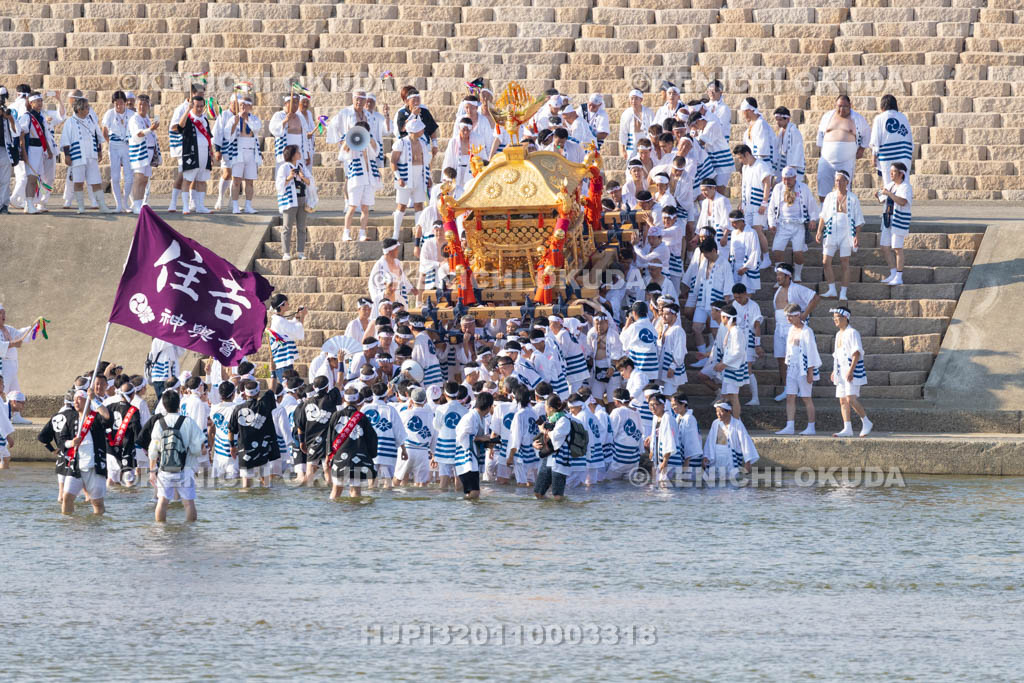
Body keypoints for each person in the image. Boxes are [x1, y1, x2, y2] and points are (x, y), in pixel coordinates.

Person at [149, 390, 205, 522]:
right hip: (185, 469)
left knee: (162, 501)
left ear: (163, 405)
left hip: (165, 469)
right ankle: (189, 532)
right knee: (188, 503)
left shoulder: (159, 423)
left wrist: (152, 471)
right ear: (178, 404)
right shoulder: (188, 422)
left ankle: (160, 532)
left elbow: (153, 450)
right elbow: (199, 448)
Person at [771, 263, 820, 401]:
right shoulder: (778, 291)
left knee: (796, 358)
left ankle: (801, 388)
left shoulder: (797, 288)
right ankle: (788, 389)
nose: (778, 278)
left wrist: (804, 315)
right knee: (781, 358)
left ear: (788, 276)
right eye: (777, 275)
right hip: (779, 328)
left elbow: (815, 298)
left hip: (792, 328)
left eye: (780, 275)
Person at [60, 387, 112, 516]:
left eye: (79, 399)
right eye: (74, 399)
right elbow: (62, 440)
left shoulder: (96, 418)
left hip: (94, 466)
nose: (76, 402)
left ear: (87, 401)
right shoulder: (71, 419)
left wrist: (94, 398)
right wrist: (71, 443)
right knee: (67, 498)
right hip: (75, 466)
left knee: (97, 503)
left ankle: (97, 526)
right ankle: (68, 525)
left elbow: (107, 416)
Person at [816, 169, 865, 300]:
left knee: (845, 262)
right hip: (831, 231)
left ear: (847, 182)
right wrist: (819, 231)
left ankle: (843, 292)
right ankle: (832, 289)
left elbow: (858, 220)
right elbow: (823, 216)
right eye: (836, 180)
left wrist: (856, 236)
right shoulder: (829, 196)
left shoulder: (853, 198)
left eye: (840, 180)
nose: (838, 183)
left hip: (846, 232)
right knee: (826, 261)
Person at [59, 96, 114, 214]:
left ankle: (102, 206)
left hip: (91, 155)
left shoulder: (91, 120)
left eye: (88, 107)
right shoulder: (70, 121)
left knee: (96, 181)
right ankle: (81, 207)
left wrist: (99, 151)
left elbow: (97, 136)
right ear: (78, 109)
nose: (88, 109)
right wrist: (67, 155)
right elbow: (65, 140)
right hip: (77, 156)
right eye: (86, 107)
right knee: (78, 182)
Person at [767, 166, 819, 281]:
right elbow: (771, 208)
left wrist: (813, 219)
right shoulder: (778, 188)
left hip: (798, 225)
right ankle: (780, 277)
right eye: (784, 179)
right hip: (783, 224)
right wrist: (772, 223)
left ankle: (797, 275)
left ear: (795, 178)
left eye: (789, 179)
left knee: (798, 253)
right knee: (777, 251)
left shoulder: (803, 188)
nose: (786, 182)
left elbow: (812, 204)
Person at [815, 94, 869, 203]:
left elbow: (867, 133)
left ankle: (843, 216)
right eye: (839, 106)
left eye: (844, 106)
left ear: (850, 105)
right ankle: (824, 213)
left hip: (846, 161)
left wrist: (862, 149)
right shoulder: (827, 116)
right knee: (822, 187)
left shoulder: (857, 118)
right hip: (826, 159)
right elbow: (820, 134)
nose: (841, 109)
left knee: (844, 190)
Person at [776, 304, 820, 436]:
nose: (788, 319)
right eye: (787, 317)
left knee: (806, 397)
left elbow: (812, 352)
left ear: (798, 315)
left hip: (804, 368)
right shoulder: (790, 330)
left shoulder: (807, 331)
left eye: (790, 316)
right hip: (792, 367)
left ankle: (811, 427)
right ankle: (790, 425)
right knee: (790, 396)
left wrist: (810, 372)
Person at [228, 380, 282, 489]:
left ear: (245, 393)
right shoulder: (264, 404)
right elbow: (272, 389)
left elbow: (231, 430)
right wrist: (273, 372)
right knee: (267, 486)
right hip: (262, 450)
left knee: (246, 486)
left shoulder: (237, 409)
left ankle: (245, 506)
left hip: (244, 451)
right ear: (258, 393)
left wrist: (232, 446)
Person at [326, 386, 377, 499]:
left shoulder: (336, 415)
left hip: (340, 458)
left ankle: (330, 515)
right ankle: (355, 517)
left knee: (336, 491)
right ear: (357, 399)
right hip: (358, 458)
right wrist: (371, 455)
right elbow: (372, 439)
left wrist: (328, 456)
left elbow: (329, 437)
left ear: (344, 398)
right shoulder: (362, 418)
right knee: (356, 492)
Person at [830, 306, 873, 437]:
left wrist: (851, 370)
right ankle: (847, 428)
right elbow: (837, 355)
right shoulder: (838, 334)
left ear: (845, 318)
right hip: (840, 371)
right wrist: (834, 371)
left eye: (837, 318)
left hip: (851, 370)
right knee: (842, 400)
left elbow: (856, 353)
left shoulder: (853, 332)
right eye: (834, 318)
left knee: (851, 398)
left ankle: (866, 421)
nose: (835, 320)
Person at [166, 80, 206, 213]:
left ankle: (193, 202)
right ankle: (173, 202)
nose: (202, 97)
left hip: (196, 148)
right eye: (199, 94)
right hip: (183, 147)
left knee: (194, 175)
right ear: (192, 93)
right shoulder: (182, 108)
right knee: (183, 175)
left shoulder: (200, 108)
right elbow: (174, 127)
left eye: (203, 94)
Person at [390, 117, 431, 242]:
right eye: (420, 129)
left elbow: (426, 163)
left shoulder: (422, 143)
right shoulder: (400, 143)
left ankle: (418, 235)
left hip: (419, 176)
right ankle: (395, 234)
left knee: (419, 205)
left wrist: (428, 177)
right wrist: (399, 177)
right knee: (401, 205)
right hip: (405, 176)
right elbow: (393, 161)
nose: (423, 131)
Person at [171, 94, 213, 214]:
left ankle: (200, 206)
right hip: (191, 153)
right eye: (196, 106)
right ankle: (185, 206)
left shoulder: (204, 119)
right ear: (192, 106)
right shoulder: (188, 117)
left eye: (201, 106)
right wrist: (187, 110)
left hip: (204, 153)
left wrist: (211, 152)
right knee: (187, 179)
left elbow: (208, 136)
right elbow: (180, 126)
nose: (199, 108)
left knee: (201, 180)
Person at [702, 400, 759, 483]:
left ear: (729, 411)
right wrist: (706, 456)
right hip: (716, 458)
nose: (718, 414)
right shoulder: (715, 423)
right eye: (717, 412)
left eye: (721, 411)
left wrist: (747, 461)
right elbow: (709, 442)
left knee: (731, 484)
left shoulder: (737, 424)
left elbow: (745, 442)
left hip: (731, 460)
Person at [363, 382, 407, 489]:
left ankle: (372, 503)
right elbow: (399, 432)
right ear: (386, 394)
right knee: (388, 482)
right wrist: (404, 450)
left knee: (371, 481)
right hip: (386, 449)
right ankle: (387, 504)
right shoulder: (390, 410)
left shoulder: (365, 409)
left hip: (369, 449)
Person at [340, 120, 379, 241]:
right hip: (356, 179)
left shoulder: (369, 143)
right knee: (352, 207)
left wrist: (370, 140)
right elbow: (341, 156)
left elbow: (376, 153)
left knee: (365, 208)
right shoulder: (352, 142)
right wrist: (348, 142)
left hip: (369, 179)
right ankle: (346, 233)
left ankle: (362, 233)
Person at [225, 95, 261, 214]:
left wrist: (246, 119)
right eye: (241, 105)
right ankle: (235, 205)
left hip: (251, 151)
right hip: (238, 151)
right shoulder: (233, 119)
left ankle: (248, 205)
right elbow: (227, 135)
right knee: (236, 180)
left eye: (245, 105)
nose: (243, 107)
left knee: (250, 181)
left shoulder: (254, 119)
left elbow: (256, 129)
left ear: (250, 107)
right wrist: (235, 123)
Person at [0, 304, 37, 424]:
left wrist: (33, 326)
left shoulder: (8, 328)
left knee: (15, 391)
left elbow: (20, 334)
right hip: (2, 366)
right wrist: (14, 343)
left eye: (4, 313)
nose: (3, 316)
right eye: (1, 313)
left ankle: (16, 416)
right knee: (2, 392)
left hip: (12, 365)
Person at [454, 391, 493, 499]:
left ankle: (468, 512)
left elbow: (475, 439)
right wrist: (481, 438)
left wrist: (486, 442)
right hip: (466, 460)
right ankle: (462, 508)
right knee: (474, 492)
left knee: (472, 493)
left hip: (472, 460)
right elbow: (462, 436)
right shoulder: (470, 417)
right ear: (489, 407)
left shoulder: (481, 418)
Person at [879, 162, 913, 285]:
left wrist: (889, 194)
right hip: (887, 219)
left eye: (893, 172)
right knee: (884, 246)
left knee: (897, 248)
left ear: (901, 174)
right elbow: (882, 200)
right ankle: (893, 272)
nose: (891, 174)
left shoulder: (906, 187)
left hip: (899, 220)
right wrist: (878, 196)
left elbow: (902, 201)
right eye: (891, 171)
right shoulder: (890, 185)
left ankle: (899, 276)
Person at [276, 144, 311, 260]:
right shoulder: (284, 167)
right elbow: (279, 186)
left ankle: (300, 251)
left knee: (301, 227)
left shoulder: (301, 166)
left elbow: (310, 181)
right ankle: (286, 252)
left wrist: (301, 176)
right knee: (287, 227)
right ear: (292, 154)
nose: (300, 153)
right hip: (289, 201)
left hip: (302, 198)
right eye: (297, 152)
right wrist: (289, 178)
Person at [870, 94, 913, 190]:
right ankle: (904, 203)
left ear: (882, 106)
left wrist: (874, 156)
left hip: (887, 155)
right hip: (904, 155)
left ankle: (889, 204)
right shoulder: (903, 117)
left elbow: (876, 139)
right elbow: (909, 137)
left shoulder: (879, 118)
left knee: (889, 184)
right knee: (904, 182)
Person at [533, 394, 572, 500]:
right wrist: (535, 444)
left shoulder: (564, 420)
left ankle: (561, 515)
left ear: (551, 408)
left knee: (557, 495)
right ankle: (547, 514)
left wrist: (543, 431)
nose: (544, 408)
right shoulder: (551, 420)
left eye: (545, 406)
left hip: (560, 460)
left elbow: (555, 435)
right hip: (548, 457)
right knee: (538, 492)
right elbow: (544, 437)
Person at [101, 91, 133, 213]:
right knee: (115, 177)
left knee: (129, 177)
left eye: (121, 103)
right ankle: (118, 204)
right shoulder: (109, 114)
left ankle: (125, 202)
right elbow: (104, 131)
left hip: (127, 146)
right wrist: (111, 143)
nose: (119, 106)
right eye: (116, 104)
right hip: (114, 146)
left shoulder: (131, 114)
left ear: (125, 103)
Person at [127, 94, 160, 214]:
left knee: (145, 180)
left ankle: (140, 203)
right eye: (140, 104)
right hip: (139, 152)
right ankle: (135, 204)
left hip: (148, 152)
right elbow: (138, 134)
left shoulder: (146, 119)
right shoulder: (134, 119)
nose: (142, 107)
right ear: (136, 105)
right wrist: (150, 129)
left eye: (145, 104)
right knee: (139, 178)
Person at [715, 305, 749, 417]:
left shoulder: (736, 331)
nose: (721, 319)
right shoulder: (731, 331)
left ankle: (736, 421)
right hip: (729, 367)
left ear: (725, 317)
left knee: (733, 397)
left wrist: (724, 363)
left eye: (722, 317)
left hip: (734, 368)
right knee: (727, 396)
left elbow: (738, 351)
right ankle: (730, 420)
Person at [397, 387, 435, 487]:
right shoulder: (431, 415)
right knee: (421, 484)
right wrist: (434, 454)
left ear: (411, 400)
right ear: (425, 400)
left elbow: (398, 432)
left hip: (407, 449)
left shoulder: (404, 414)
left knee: (397, 480)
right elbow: (434, 435)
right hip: (423, 451)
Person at [268, 293, 307, 381]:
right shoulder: (278, 321)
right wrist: (302, 316)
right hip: (283, 361)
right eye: (287, 303)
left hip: (284, 360)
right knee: (287, 386)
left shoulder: (279, 319)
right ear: (281, 306)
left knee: (289, 385)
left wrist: (297, 316)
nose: (288, 304)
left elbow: (291, 325)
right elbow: (295, 331)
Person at [618, 89, 654, 159]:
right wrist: (623, 149)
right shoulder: (626, 114)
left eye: (636, 99)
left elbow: (652, 129)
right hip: (632, 142)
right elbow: (623, 132)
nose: (634, 101)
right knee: (632, 163)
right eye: (632, 99)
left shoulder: (648, 112)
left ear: (641, 100)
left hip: (646, 140)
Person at [739, 97, 774, 167]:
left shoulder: (761, 124)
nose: (743, 115)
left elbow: (762, 151)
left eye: (743, 112)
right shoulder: (752, 124)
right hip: (751, 163)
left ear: (749, 110)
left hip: (760, 165)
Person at [772, 106, 804, 181]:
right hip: (783, 164)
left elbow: (797, 151)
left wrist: (791, 169)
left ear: (788, 119)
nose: (777, 122)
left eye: (780, 120)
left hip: (792, 166)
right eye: (776, 120)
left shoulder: (794, 131)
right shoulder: (781, 131)